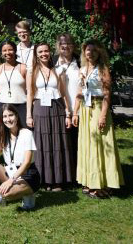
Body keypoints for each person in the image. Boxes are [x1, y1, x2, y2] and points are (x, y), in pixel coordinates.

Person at [74, 40, 124, 198]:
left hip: (98, 108)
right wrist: (75, 113)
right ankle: (90, 181)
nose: (90, 53)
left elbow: (107, 95)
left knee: (100, 145)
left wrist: (103, 115)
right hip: (85, 109)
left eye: (93, 51)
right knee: (88, 145)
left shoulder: (103, 69)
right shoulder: (82, 69)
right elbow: (79, 92)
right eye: (87, 50)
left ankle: (104, 184)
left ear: (99, 53)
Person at [26, 42, 74, 191]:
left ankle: (58, 180)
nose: (44, 54)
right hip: (40, 109)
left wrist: (67, 113)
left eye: (46, 51)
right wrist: (29, 115)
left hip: (57, 109)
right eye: (40, 52)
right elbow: (30, 94)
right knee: (42, 145)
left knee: (58, 144)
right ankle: (45, 180)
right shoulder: (32, 71)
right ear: (36, 54)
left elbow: (64, 93)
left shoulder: (58, 70)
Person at [0, 104, 40, 210]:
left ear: (17, 116)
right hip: (11, 170)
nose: (8, 119)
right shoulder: (1, 132)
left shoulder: (26, 133)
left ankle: (29, 193)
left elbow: (27, 162)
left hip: (27, 173)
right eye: (5, 116)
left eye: (11, 115)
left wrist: (10, 181)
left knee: (7, 194)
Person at [55, 33, 81, 172]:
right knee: (64, 143)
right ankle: (67, 172)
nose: (65, 46)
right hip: (60, 109)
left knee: (78, 142)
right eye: (62, 44)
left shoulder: (80, 61)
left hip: (79, 108)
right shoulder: (52, 62)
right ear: (58, 46)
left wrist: (74, 112)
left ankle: (79, 171)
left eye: (68, 43)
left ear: (73, 45)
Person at [0, 41, 29, 125]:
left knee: (24, 132)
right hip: (3, 106)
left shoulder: (23, 68)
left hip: (21, 106)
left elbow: (29, 90)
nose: (7, 52)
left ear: (15, 50)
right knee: (6, 135)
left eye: (10, 49)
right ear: (1, 52)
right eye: (4, 50)